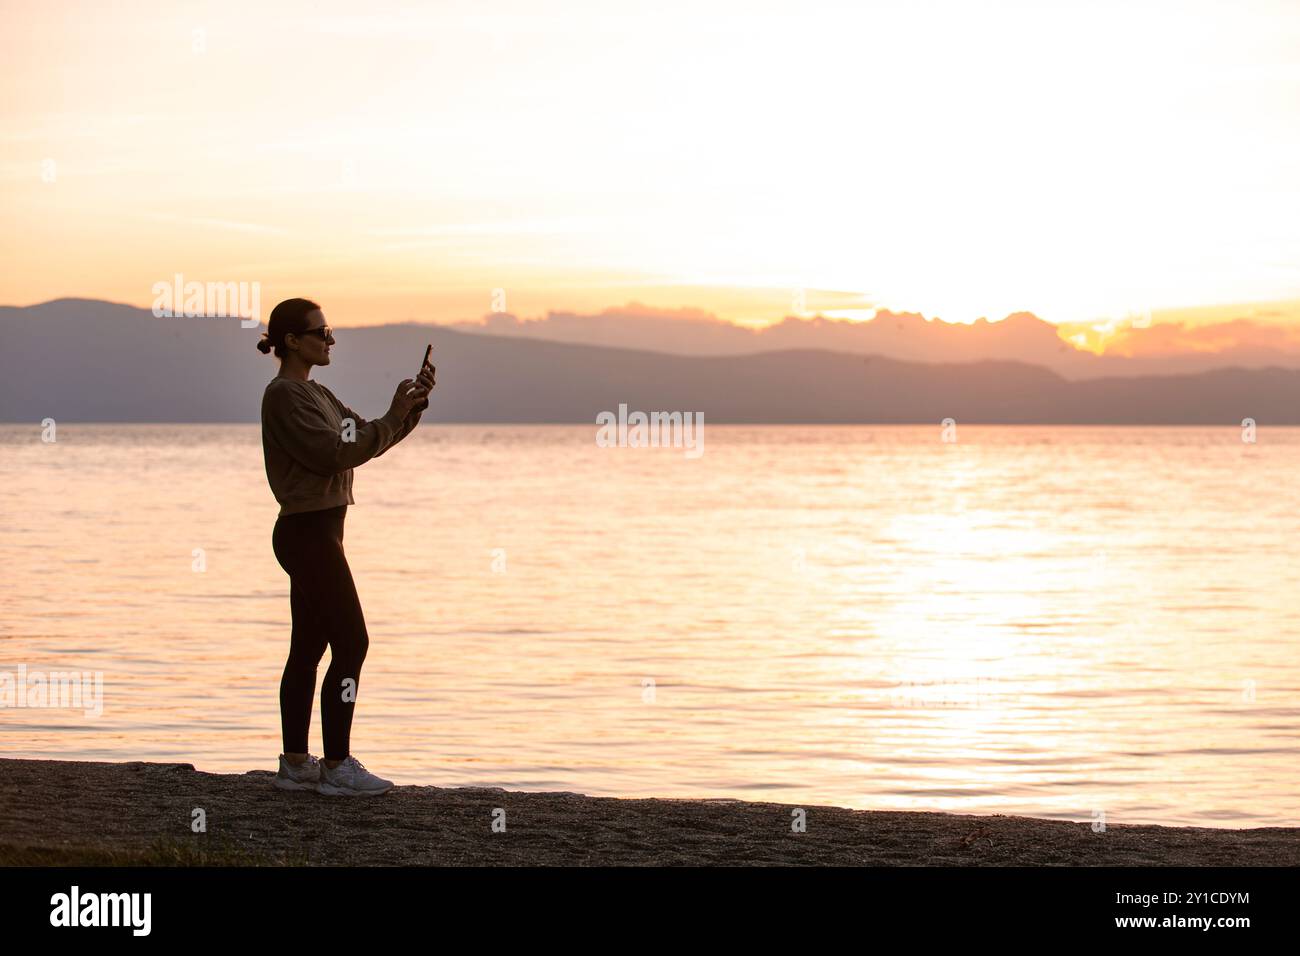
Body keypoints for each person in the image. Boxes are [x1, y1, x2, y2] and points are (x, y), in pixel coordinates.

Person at [256, 297, 435, 796]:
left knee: (308, 649)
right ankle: (336, 766)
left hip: (320, 533)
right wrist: (392, 416)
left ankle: (296, 764)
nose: (330, 340)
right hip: (307, 533)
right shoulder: (285, 397)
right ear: (292, 340)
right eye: (322, 332)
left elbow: (367, 440)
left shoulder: (320, 394)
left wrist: (409, 410)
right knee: (352, 642)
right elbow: (336, 453)